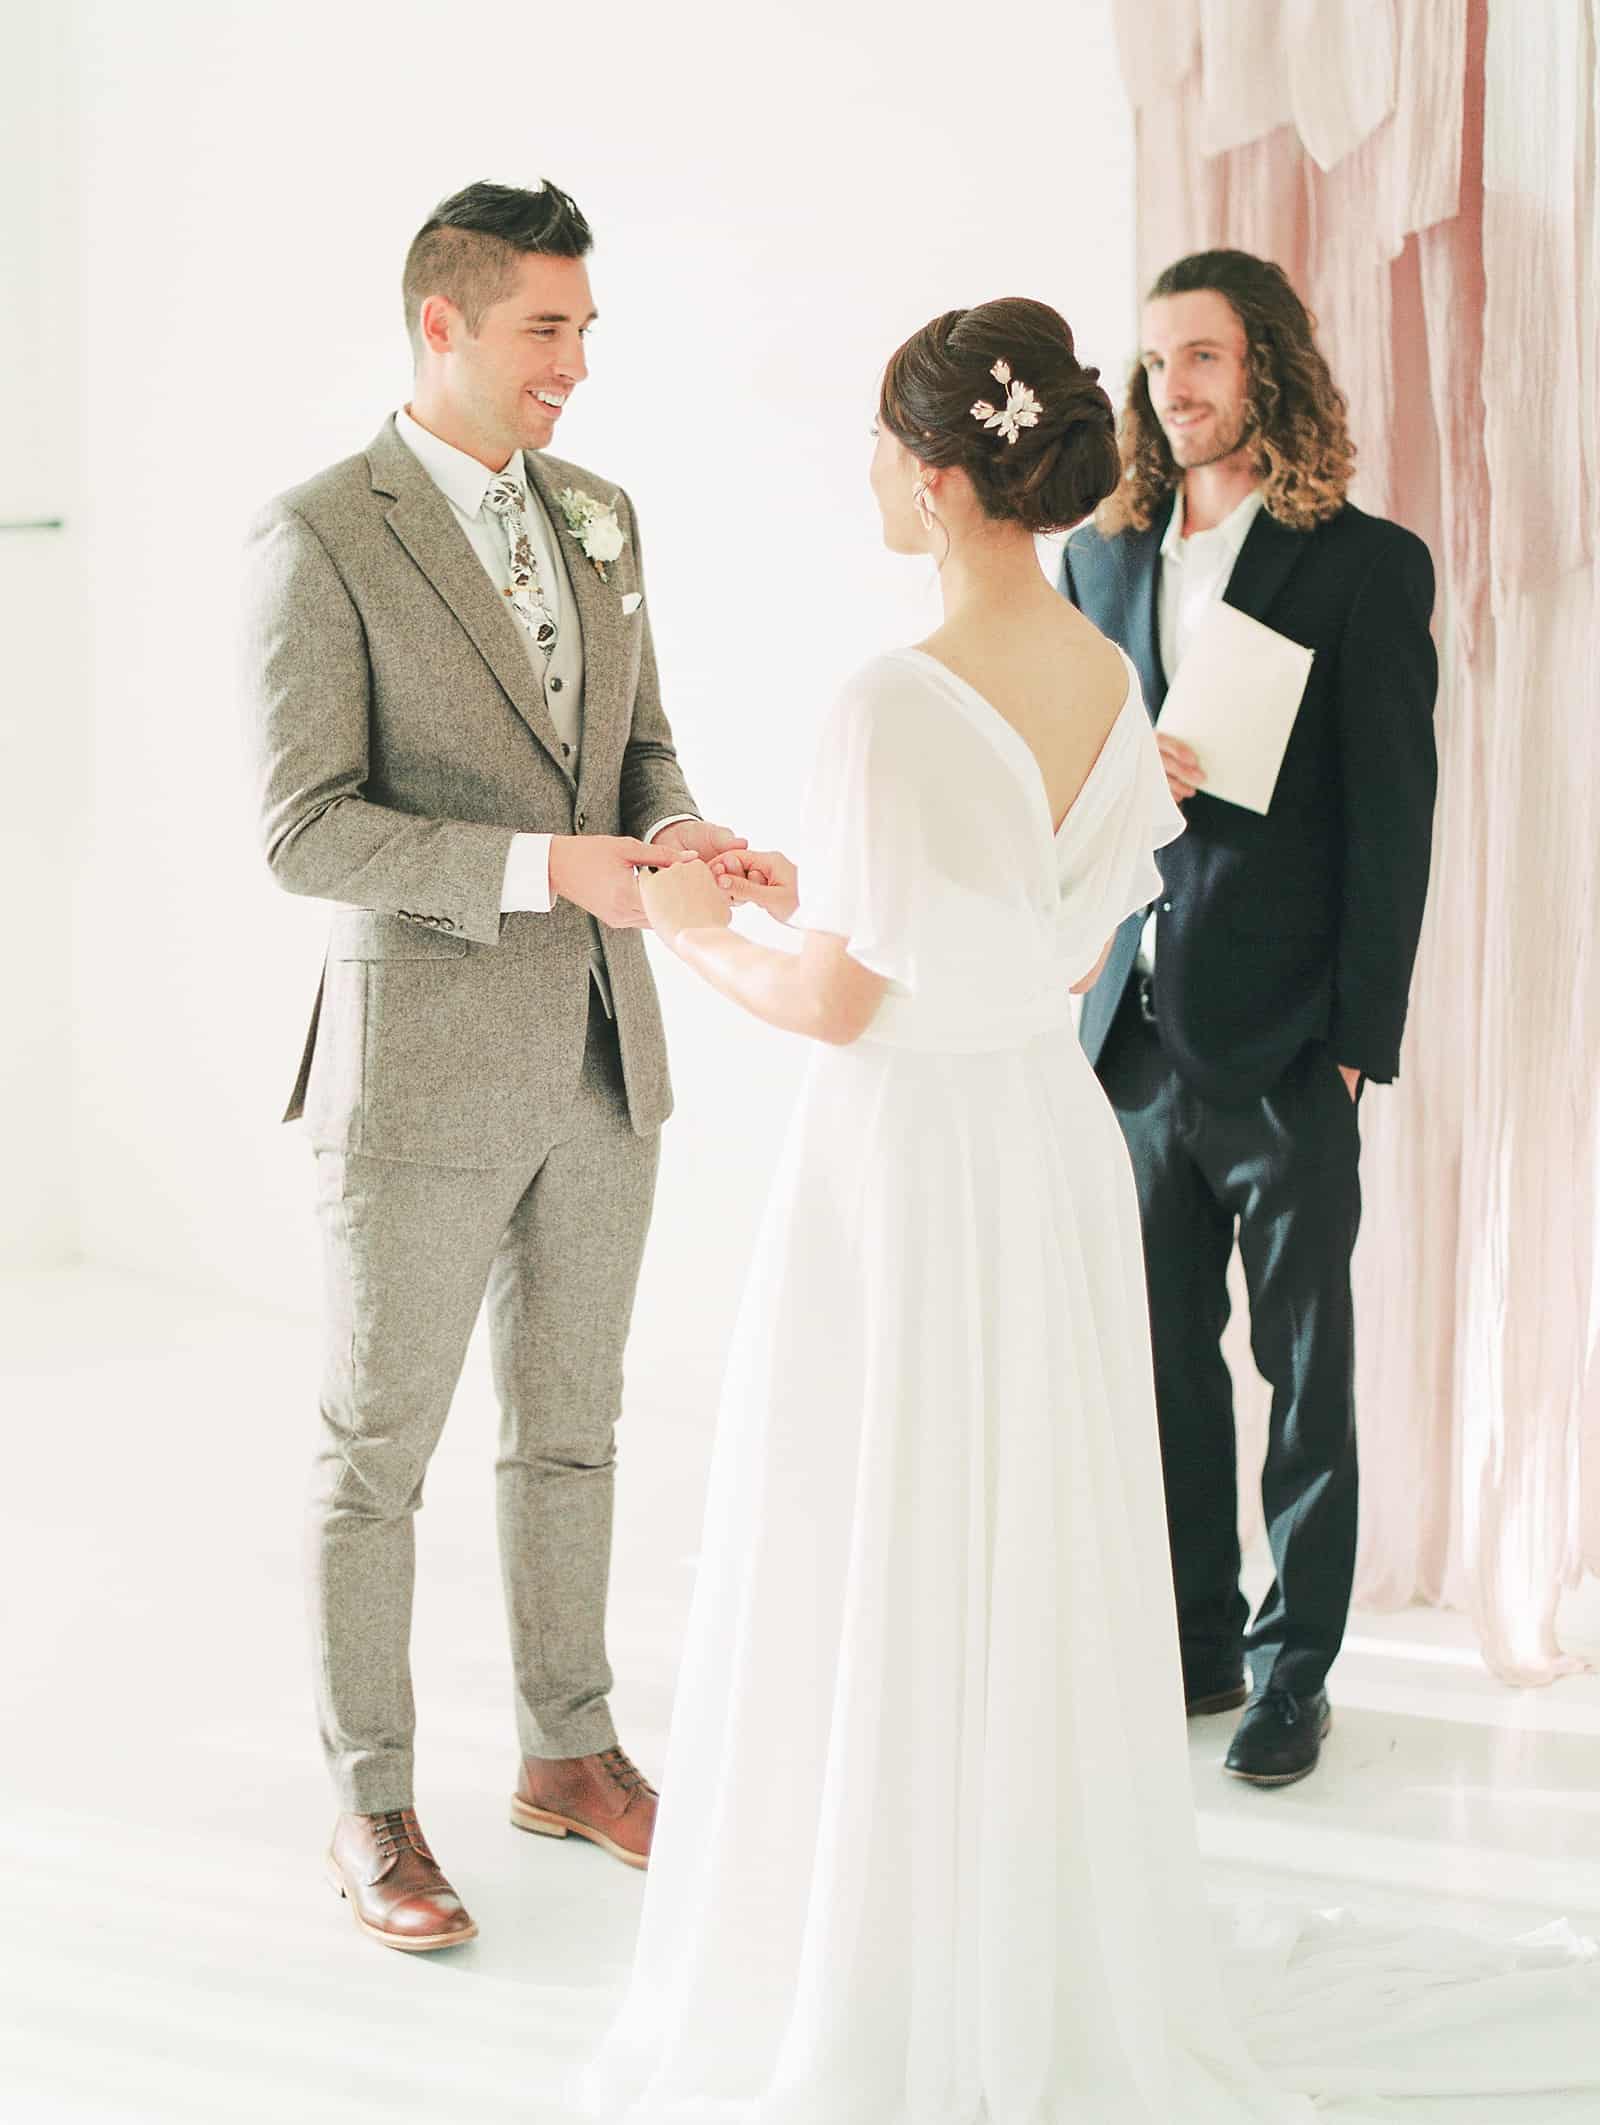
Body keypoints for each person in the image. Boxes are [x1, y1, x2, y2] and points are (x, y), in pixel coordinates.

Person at [242, 178, 747, 1952]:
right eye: (549, 328)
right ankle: (372, 1801)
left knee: (574, 1436)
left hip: (606, 1054)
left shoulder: (603, 513)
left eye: (587, 329)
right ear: (440, 324)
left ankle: (571, 1750)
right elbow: (305, 826)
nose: (578, 365)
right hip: (423, 1071)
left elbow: (645, 749)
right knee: (375, 1448)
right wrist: (552, 868)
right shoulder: (318, 534)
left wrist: (688, 837)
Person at [1060, 249, 1438, 1786]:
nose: (1177, 387)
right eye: (1157, 362)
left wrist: (1358, 1038)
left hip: (1288, 1039)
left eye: (1205, 357)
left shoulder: (1362, 562)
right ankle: (1197, 1643)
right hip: (1130, 1033)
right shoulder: (1097, 561)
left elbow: (1394, 820)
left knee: (1304, 1370)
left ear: (1266, 365)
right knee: (1158, 1359)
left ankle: (1298, 1672)